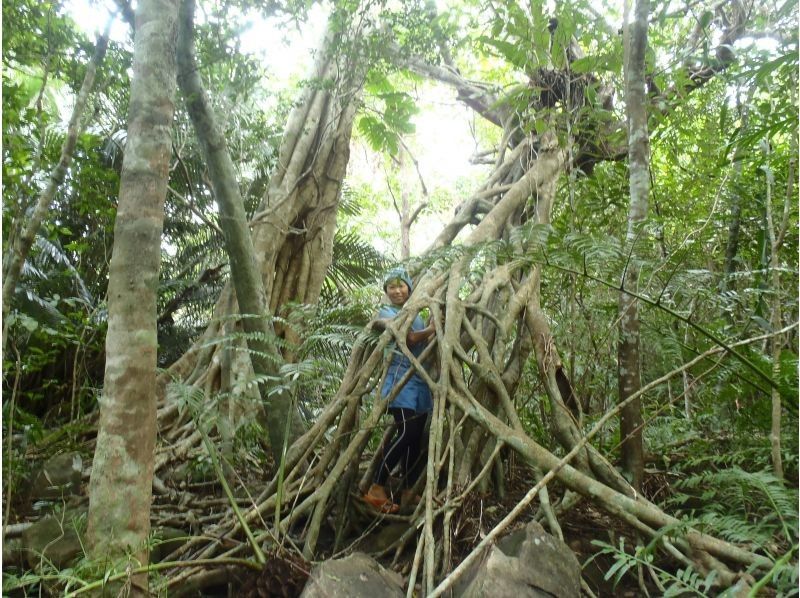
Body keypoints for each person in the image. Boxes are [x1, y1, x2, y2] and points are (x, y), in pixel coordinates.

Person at [363, 267, 436, 513]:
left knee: (415, 438)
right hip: (399, 380)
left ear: (409, 288)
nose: (396, 291)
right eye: (391, 287)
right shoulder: (387, 312)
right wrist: (432, 328)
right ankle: (376, 487)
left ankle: (407, 490)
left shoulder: (416, 313)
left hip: (419, 381)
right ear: (386, 291)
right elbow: (411, 339)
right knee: (405, 433)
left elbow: (423, 340)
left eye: (400, 285)